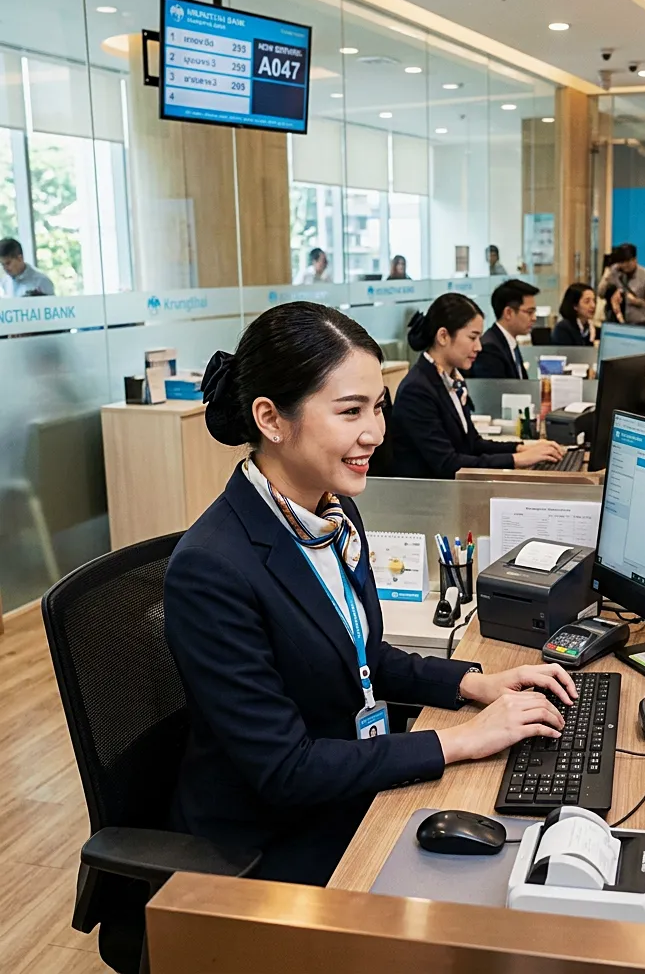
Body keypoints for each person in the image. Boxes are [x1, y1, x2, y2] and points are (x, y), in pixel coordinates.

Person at [164, 301, 575, 887]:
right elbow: (285, 769)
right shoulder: (211, 569)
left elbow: (363, 656)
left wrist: (474, 684)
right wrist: (461, 739)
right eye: (350, 410)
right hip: (270, 845)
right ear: (271, 419)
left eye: (378, 407)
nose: (377, 433)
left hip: (349, 787)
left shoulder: (333, 512)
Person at [390, 293, 564, 478]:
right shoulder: (417, 390)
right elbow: (448, 464)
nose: (479, 347)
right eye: (472, 338)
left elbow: (473, 444)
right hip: (431, 493)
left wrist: (522, 448)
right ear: (443, 336)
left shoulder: (451, 380)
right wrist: (517, 460)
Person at [467, 279, 538, 379]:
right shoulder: (490, 349)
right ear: (508, 313)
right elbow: (494, 388)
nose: (534, 318)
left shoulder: (508, 342)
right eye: (529, 312)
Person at [597, 243, 645, 324]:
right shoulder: (615, 271)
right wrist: (606, 276)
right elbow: (600, 294)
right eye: (621, 262)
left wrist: (636, 301)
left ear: (635, 259)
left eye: (627, 261)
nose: (624, 265)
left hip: (639, 323)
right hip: (616, 322)